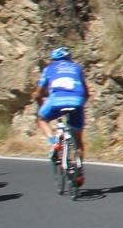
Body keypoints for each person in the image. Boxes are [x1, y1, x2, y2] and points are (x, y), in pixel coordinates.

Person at [34, 46, 90, 184]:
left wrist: (39, 102)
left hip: (57, 100)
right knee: (78, 140)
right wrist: (79, 105)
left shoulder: (49, 69)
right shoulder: (77, 68)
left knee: (41, 119)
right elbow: (87, 93)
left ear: (53, 59)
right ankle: (79, 172)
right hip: (77, 101)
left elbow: (38, 93)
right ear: (69, 58)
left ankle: (54, 143)